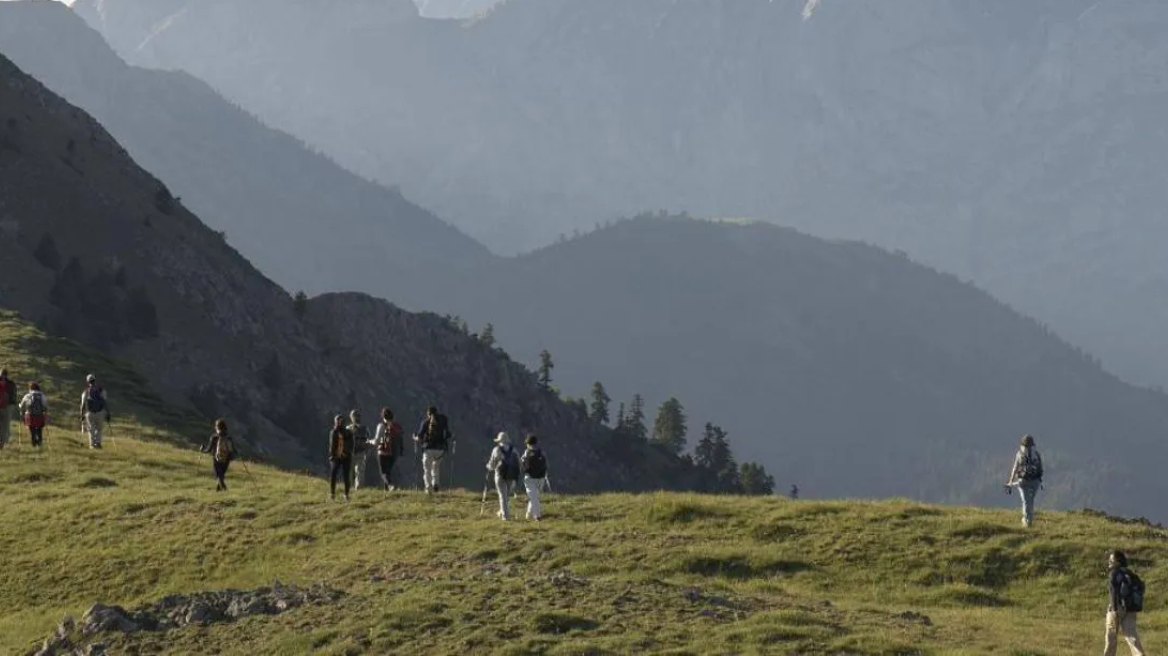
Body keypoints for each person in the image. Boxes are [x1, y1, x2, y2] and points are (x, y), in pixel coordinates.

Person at [1105, 550, 1146, 656]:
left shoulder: (1114, 573)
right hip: (1131, 610)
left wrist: (1115, 609)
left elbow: (1113, 591)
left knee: (1111, 638)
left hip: (1117, 608)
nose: (1109, 561)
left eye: (1111, 559)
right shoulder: (1131, 574)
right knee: (1132, 638)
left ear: (1118, 562)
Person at [1005, 434, 1044, 527]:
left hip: (1023, 481)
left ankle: (1027, 521)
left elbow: (1015, 468)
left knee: (1025, 501)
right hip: (1035, 482)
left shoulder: (1019, 454)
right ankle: (1029, 519)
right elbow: (1041, 468)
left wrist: (1011, 481)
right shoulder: (1036, 454)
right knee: (1031, 500)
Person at [414, 406, 452, 493]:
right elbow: (448, 434)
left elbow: (419, 437)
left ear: (428, 413)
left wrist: (415, 438)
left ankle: (428, 488)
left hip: (428, 449)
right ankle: (436, 484)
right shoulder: (443, 421)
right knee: (435, 467)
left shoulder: (425, 422)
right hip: (440, 450)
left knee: (427, 469)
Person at [486, 432, 521, 521]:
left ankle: (505, 516)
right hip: (511, 475)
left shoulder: (496, 449)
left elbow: (492, 463)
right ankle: (502, 512)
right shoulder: (514, 450)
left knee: (502, 495)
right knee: (506, 496)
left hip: (500, 475)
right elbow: (519, 462)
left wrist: (489, 467)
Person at [372, 408, 404, 491]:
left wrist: (370, 441)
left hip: (383, 451)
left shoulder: (381, 426)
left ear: (383, 416)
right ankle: (386, 489)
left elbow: (377, 441)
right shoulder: (396, 426)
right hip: (394, 452)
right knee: (388, 471)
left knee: (383, 472)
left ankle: (390, 485)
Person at [201, 418, 237, 492]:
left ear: (217, 427)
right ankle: (218, 491)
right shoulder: (228, 437)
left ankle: (225, 490)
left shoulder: (214, 437)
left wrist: (202, 449)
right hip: (226, 459)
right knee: (221, 476)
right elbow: (233, 449)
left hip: (216, 459)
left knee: (219, 476)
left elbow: (208, 450)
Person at [520, 434, 548, 521]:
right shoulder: (541, 452)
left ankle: (537, 516)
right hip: (541, 477)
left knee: (533, 497)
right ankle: (529, 514)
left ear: (528, 443)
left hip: (529, 478)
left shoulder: (526, 452)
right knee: (535, 496)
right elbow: (545, 464)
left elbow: (521, 462)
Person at [79, 374, 110, 449]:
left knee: (91, 429)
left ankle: (92, 444)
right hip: (100, 412)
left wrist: (82, 415)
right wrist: (108, 413)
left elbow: (82, 405)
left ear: (87, 381)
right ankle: (98, 443)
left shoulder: (86, 391)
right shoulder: (101, 390)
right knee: (99, 429)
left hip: (90, 413)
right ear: (95, 380)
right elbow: (105, 402)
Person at [328, 414, 354, 501]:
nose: (340, 422)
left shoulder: (348, 432)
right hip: (336, 457)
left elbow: (351, 444)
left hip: (346, 457)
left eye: (341, 421)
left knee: (346, 476)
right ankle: (332, 494)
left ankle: (346, 495)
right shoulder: (333, 432)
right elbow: (332, 445)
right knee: (333, 475)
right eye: (338, 421)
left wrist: (348, 453)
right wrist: (332, 455)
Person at [347, 410, 372, 491]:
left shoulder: (348, 428)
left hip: (353, 453)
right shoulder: (365, 428)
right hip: (359, 452)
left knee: (351, 471)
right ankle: (357, 488)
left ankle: (352, 488)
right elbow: (369, 441)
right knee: (359, 471)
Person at [19, 382, 48, 448]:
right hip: (40, 415)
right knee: (39, 430)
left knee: (32, 430)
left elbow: (22, 406)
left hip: (30, 416)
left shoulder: (28, 395)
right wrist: (45, 413)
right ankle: (39, 443)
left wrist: (20, 408)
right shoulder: (42, 395)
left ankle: (34, 444)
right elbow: (45, 405)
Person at [0, 367, 15, 449]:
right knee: (4, 426)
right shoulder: (11, 383)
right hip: (7, 407)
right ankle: (2, 442)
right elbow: (13, 396)